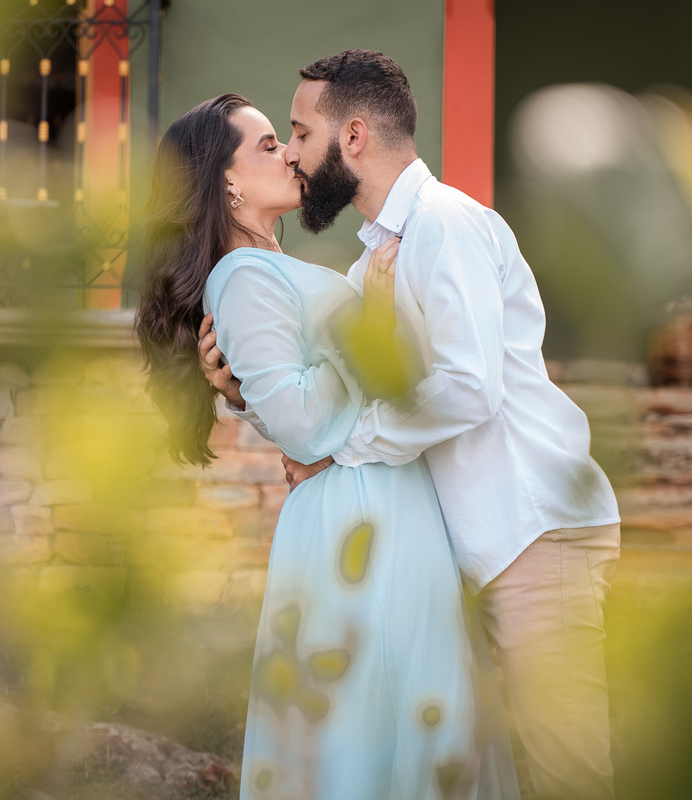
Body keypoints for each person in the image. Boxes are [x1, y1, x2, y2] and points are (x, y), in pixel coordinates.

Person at [198, 51, 622, 800]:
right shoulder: (375, 267)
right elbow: (333, 397)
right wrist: (243, 395)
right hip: (472, 549)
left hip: (530, 532)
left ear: (353, 136)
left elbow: (466, 388)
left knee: (568, 770)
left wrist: (349, 447)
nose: (293, 154)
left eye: (298, 133)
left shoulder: (444, 225)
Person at [135, 93, 518, 800]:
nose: (288, 152)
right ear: (227, 181)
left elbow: (296, 408)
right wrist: (364, 323)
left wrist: (250, 398)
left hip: (380, 501)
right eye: (268, 143)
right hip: (360, 517)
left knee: (408, 717)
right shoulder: (241, 275)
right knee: (381, 725)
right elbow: (308, 423)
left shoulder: (271, 269)